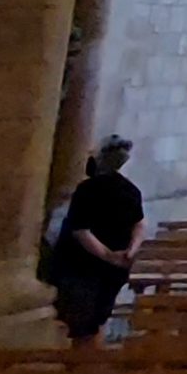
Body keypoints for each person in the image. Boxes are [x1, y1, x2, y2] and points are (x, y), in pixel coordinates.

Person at [49, 136, 144, 344]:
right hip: (116, 266)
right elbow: (139, 224)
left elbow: (80, 230)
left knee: (81, 326)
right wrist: (130, 251)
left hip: (83, 266)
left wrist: (107, 255)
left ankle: (83, 367)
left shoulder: (87, 190)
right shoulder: (131, 190)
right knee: (97, 320)